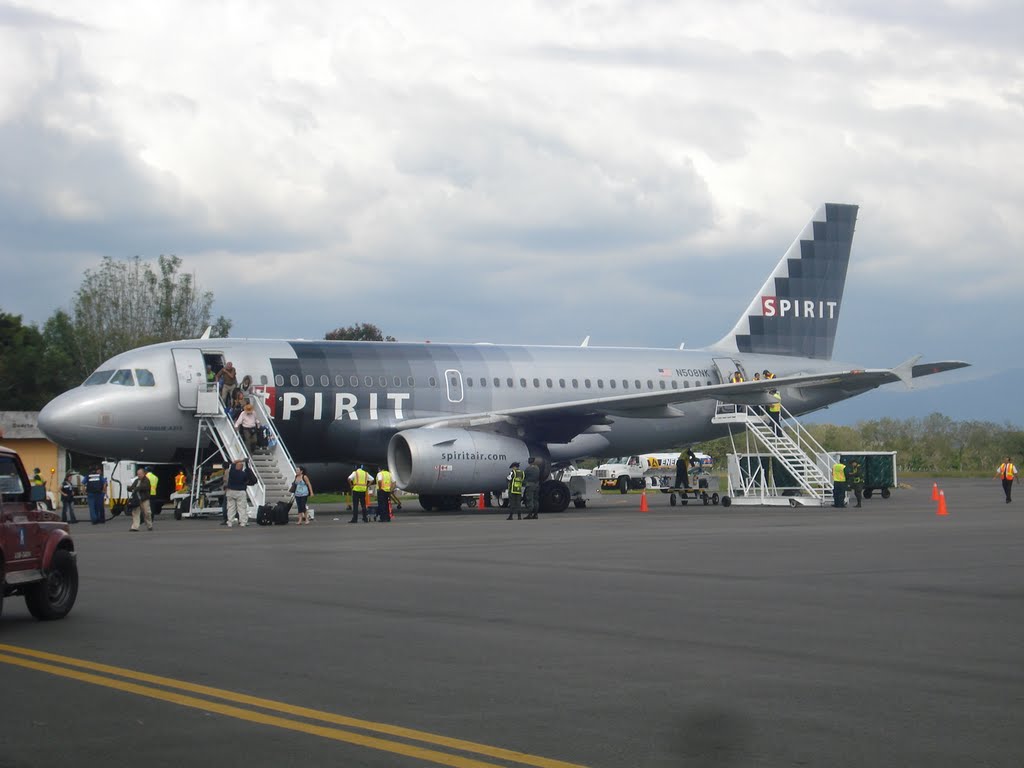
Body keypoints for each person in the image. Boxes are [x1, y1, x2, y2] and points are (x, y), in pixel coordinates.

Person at [223, 458, 255, 527]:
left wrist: (242, 460)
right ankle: (243, 522)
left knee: (231, 508)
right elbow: (248, 481)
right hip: (240, 492)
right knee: (242, 508)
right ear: (241, 467)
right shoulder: (244, 474)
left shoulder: (232, 471)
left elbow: (234, 462)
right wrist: (246, 462)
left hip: (231, 491)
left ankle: (230, 522)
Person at [127, 467, 153, 531]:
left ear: (143, 474)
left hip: (144, 499)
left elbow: (145, 487)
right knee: (135, 513)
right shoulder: (136, 480)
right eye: (138, 474)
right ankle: (135, 527)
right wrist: (129, 488)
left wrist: (136, 488)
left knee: (147, 513)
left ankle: (149, 525)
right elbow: (133, 487)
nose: (138, 475)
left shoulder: (146, 480)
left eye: (140, 474)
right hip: (137, 500)